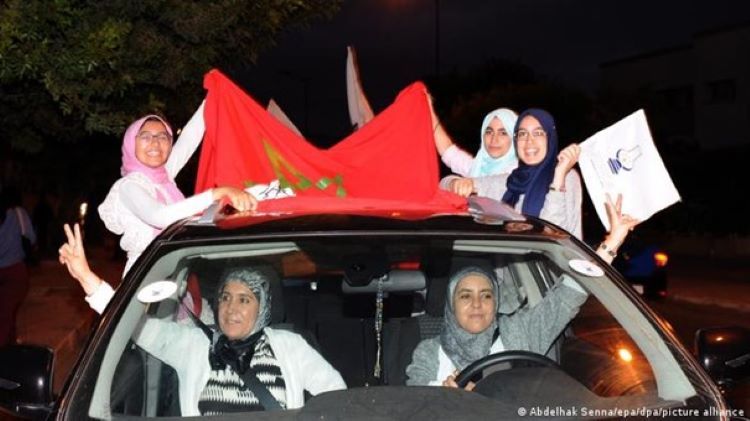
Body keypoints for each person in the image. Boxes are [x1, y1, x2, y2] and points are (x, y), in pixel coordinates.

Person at [58, 226, 346, 415]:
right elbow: (136, 326)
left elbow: (337, 397)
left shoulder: (290, 345)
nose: (231, 308)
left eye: (245, 300)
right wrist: (87, 279)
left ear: (264, 308)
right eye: (225, 297)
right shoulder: (194, 344)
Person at [405, 197, 637, 388]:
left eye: (486, 295)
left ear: (496, 302)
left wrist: (611, 243)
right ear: (450, 305)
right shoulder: (429, 351)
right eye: (465, 295)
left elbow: (569, 293)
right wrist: (442, 398)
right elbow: (414, 402)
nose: (477, 303)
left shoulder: (520, 332)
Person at [98, 109, 257, 275]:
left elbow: (189, 139)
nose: (155, 143)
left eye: (163, 137)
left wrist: (214, 93)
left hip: (178, 272)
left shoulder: (163, 177)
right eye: (145, 137)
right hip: (146, 276)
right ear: (131, 144)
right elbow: (160, 217)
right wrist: (217, 193)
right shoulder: (128, 186)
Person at [439, 108, 583, 239]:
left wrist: (558, 181)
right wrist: (455, 182)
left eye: (538, 133)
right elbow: (446, 185)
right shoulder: (512, 180)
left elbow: (552, 235)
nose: (529, 141)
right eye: (522, 134)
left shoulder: (566, 176)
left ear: (550, 138)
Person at [432, 106, 518, 178]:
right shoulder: (478, 168)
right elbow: (449, 152)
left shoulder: (520, 174)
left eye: (503, 133)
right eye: (489, 132)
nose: (494, 139)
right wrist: (430, 111)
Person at [0, 187, 36, 346]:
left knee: (7, 316)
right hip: (15, 272)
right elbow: (31, 238)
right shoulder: (18, 214)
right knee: (8, 316)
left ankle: (9, 353)